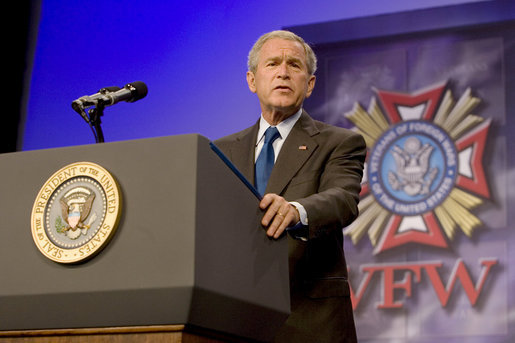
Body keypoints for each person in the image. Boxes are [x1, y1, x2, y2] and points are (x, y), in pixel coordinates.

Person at [214, 30, 366, 343]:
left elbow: (343, 200)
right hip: (234, 319)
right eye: (272, 64)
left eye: (294, 65)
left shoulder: (340, 142)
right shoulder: (221, 150)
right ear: (252, 81)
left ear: (309, 84)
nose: (283, 72)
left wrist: (296, 211)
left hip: (311, 321)